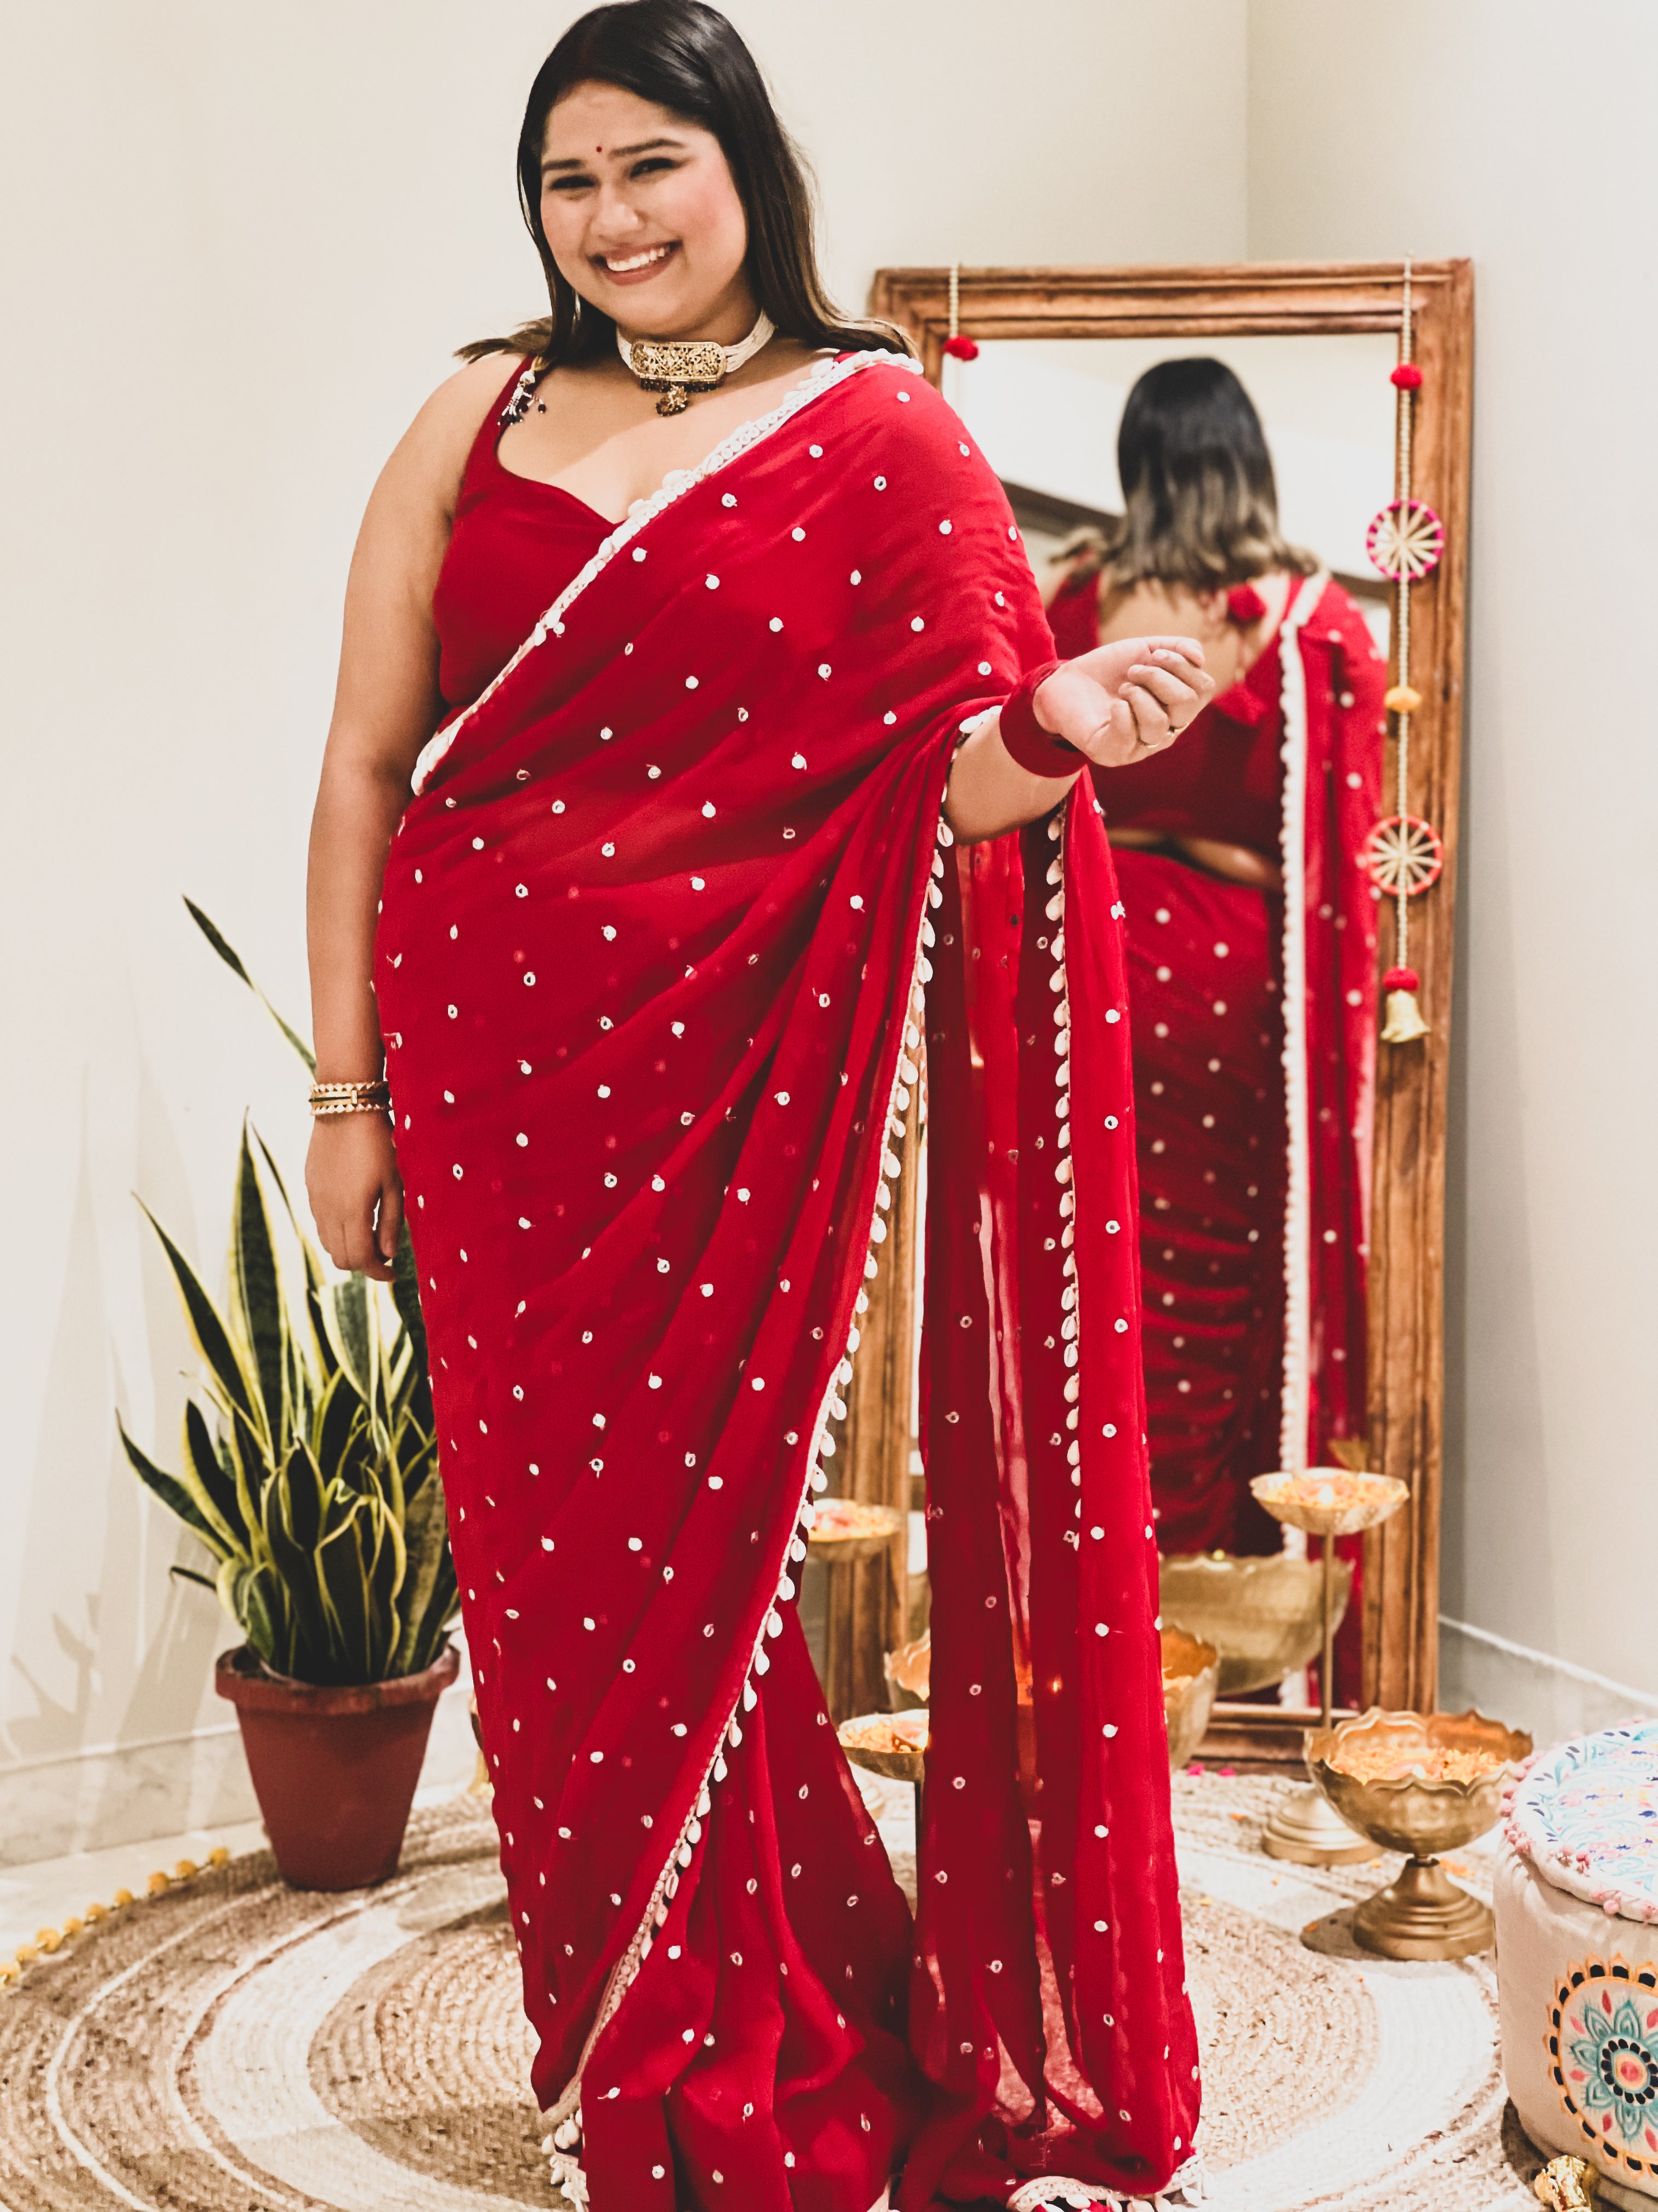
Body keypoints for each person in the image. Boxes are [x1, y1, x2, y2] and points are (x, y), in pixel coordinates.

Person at [303, 7, 1214, 2205]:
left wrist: (1067, 722)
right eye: (568, 179)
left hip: (731, 1085)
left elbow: (937, 795)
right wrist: (349, 1095)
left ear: (746, 169)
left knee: (691, 1575)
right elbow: (363, 767)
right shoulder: (475, 407)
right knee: (556, 1602)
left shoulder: (878, 429)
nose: (612, 219)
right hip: (498, 1086)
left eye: (652, 168)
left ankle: (755, 2016)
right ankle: (636, 2036)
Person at [1044, 360, 1385, 1618]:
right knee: (1224, 1278)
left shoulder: (1075, 596)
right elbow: (1349, 853)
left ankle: (1102, 1586)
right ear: (1247, 460)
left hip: (1099, 971)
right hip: (1241, 994)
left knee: (1099, 1265)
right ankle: (1213, 1595)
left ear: (1140, 460)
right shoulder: (1310, 619)